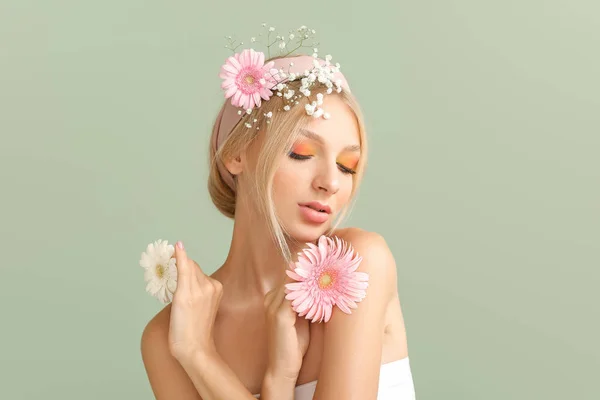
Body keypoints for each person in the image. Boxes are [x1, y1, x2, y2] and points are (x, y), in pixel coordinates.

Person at [141, 26, 416, 400]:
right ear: (236, 154)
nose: (330, 183)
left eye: (347, 166)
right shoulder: (167, 337)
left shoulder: (355, 267)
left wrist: (202, 357)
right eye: (302, 153)